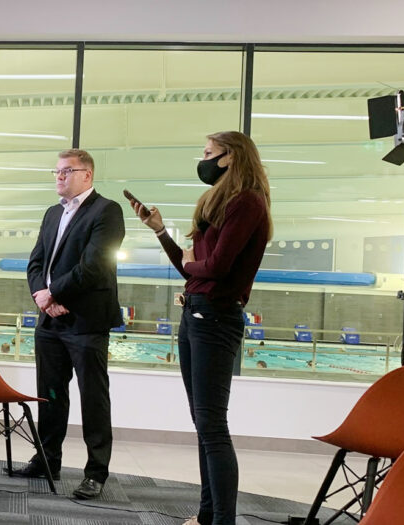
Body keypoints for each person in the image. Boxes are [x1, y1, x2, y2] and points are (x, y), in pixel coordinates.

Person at [132, 131, 272, 525]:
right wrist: (160, 231)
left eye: (209, 153)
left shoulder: (247, 203)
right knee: (203, 423)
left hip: (215, 317)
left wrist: (195, 264)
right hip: (195, 312)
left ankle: (221, 520)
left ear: (230, 158)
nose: (203, 159)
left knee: (212, 426)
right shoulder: (220, 202)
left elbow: (216, 268)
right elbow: (191, 269)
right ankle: (207, 515)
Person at [9, 148, 124, 500]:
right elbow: (36, 262)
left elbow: (94, 266)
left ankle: (95, 472)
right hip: (50, 323)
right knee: (51, 393)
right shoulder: (51, 214)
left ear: (87, 175)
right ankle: (47, 460)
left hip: (86, 321)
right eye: (56, 171)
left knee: (93, 398)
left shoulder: (107, 211)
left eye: (67, 171)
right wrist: (41, 295)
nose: (59, 176)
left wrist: (53, 294)